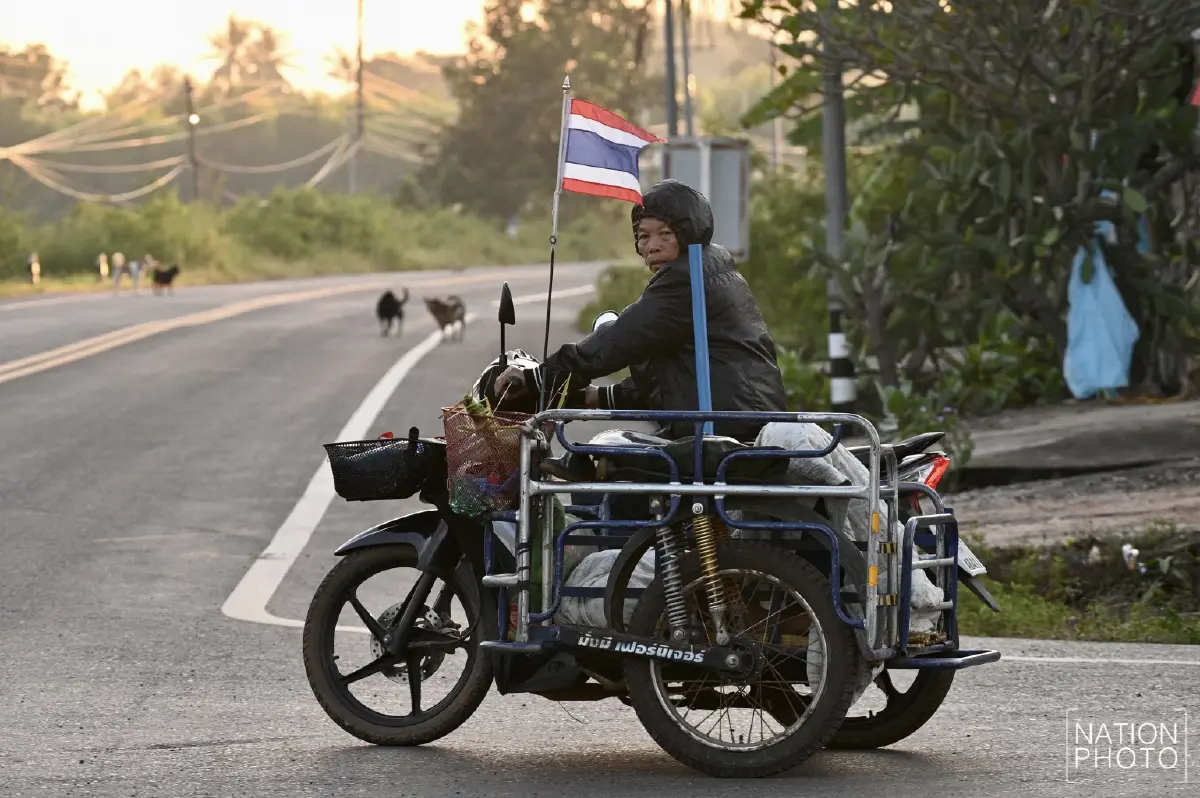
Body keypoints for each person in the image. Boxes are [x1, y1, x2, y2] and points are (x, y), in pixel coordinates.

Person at [498, 179, 786, 443]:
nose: (652, 247)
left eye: (665, 234)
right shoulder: (708, 269)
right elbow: (678, 377)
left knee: (602, 456)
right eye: (644, 236)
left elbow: (620, 340)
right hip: (737, 422)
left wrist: (537, 379)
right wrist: (598, 397)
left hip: (726, 432)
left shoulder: (688, 278)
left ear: (688, 234)